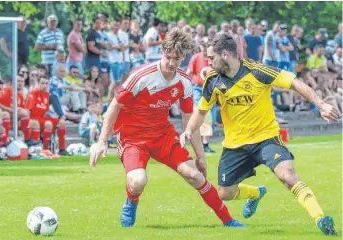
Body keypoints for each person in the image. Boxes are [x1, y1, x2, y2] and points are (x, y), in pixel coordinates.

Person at [183, 33, 339, 236]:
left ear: (225, 55)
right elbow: (202, 111)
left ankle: (320, 219)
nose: (208, 62)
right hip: (235, 145)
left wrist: (321, 104)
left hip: (266, 138)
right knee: (225, 193)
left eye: (211, 58)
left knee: (288, 175)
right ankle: (255, 193)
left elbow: (294, 82)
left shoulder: (257, 71)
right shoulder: (212, 81)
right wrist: (188, 130)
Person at [90, 28, 245, 228]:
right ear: (162, 52)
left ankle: (228, 220)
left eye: (177, 59)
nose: (172, 63)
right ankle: (132, 201)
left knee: (194, 176)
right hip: (132, 137)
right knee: (138, 181)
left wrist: (200, 157)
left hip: (162, 135)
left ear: (184, 57)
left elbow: (191, 122)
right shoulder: (142, 76)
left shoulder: (183, 81)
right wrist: (102, 141)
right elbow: (114, 105)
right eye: (169, 57)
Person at [26, 75, 70, 156]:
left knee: (62, 122)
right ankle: (45, 150)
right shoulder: (33, 94)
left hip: (41, 118)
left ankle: (62, 149)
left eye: (46, 83)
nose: (45, 85)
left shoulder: (46, 94)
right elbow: (28, 111)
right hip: (33, 119)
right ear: (38, 84)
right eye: (42, 83)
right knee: (48, 123)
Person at [186, 39, 216, 153]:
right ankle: (201, 143)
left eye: (206, 53)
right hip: (198, 88)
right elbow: (189, 72)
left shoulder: (213, 58)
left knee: (211, 117)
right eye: (203, 52)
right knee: (203, 114)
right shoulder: (195, 58)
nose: (205, 55)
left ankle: (205, 144)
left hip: (211, 89)